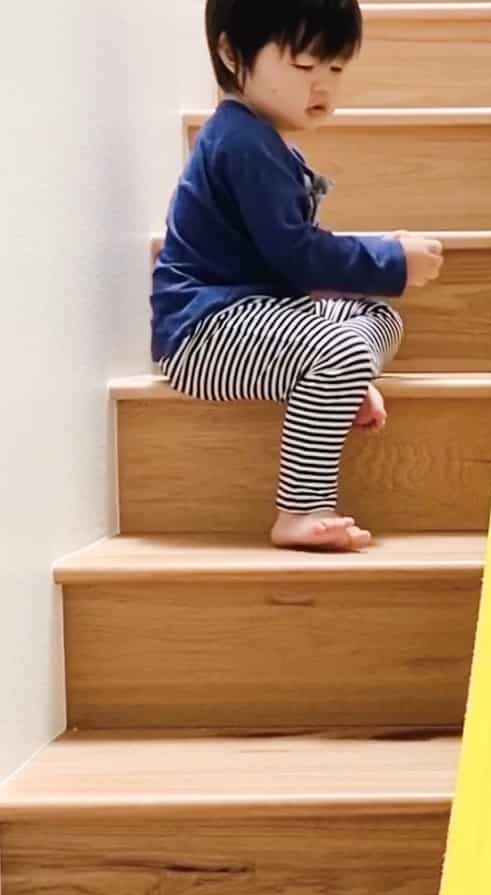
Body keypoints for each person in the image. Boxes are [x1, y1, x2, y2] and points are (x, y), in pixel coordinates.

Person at [152, 0, 443, 551]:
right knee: (344, 343)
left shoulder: (264, 141)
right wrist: (391, 258)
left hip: (259, 316)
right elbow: (298, 257)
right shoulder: (240, 143)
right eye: (305, 67)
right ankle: (300, 508)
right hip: (202, 335)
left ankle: (339, 379)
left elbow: (297, 266)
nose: (323, 86)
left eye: (335, 68)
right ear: (232, 54)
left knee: (375, 315)